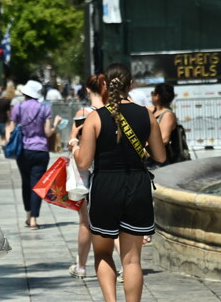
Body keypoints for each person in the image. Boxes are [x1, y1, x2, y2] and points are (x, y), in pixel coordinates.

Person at [69, 63, 166, 302]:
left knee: (102, 253)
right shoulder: (147, 114)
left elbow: (83, 163)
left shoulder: (95, 117)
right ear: (130, 84)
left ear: (104, 85)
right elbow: (160, 156)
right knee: (132, 260)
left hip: (105, 187)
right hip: (137, 185)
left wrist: (74, 146)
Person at [67, 74, 107, 279]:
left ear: (88, 89)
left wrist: (73, 143)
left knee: (85, 221)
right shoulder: (113, 112)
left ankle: (81, 266)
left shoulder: (83, 113)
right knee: (112, 220)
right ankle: (127, 266)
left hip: (87, 172)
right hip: (108, 170)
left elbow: (72, 139)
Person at [9, 80, 61, 229]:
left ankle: (27, 214)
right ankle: (34, 219)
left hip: (23, 151)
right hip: (41, 150)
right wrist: (56, 124)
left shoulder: (17, 108)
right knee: (38, 185)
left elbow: (12, 130)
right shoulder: (45, 109)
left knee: (26, 184)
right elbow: (47, 132)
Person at [148, 83, 177, 149]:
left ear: (157, 96)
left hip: (161, 156)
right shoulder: (154, 110)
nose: (151, 96)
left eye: (153, 93)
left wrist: (145, 150)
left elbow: (163, 140)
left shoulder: (167, 115)